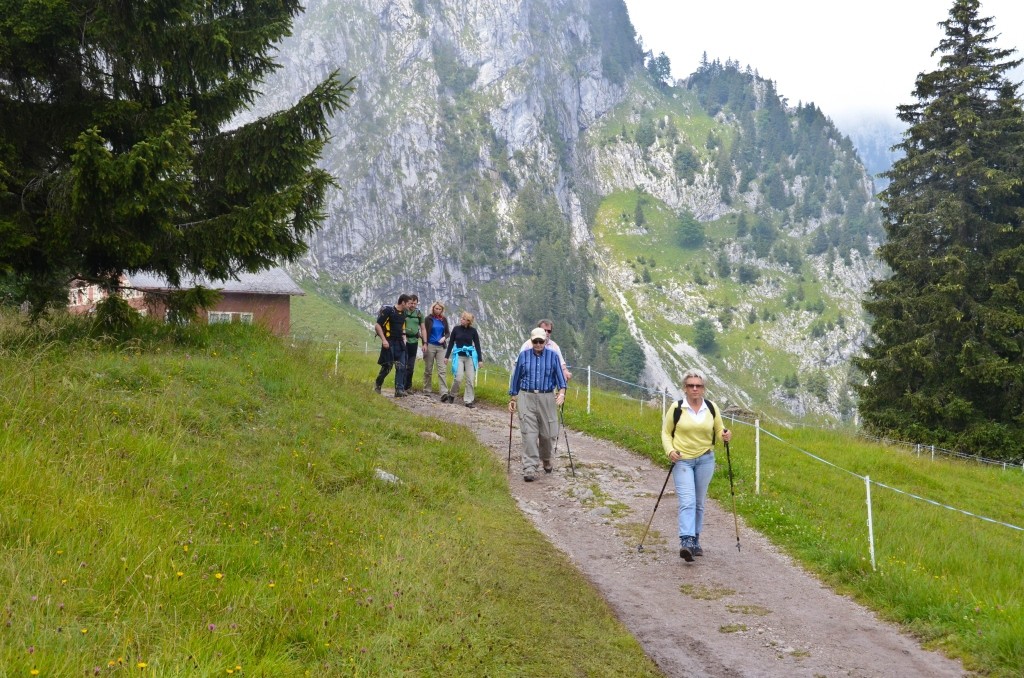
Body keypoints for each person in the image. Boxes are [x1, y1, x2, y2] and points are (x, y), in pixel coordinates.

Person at [661, 369, 731, 562]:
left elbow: (718, 429)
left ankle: (696, 540)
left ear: (703, 388)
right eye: (690, 385)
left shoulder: (711, 407)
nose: (694, 389)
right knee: (688, 501)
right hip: (682, 459)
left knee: (699, 503)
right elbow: (666, 433)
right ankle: (686, 541)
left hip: (705, 459)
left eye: (698, 386)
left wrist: (725, 435)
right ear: (685, 388)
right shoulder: (677, 408)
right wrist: (670, 451)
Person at [508, 327, 567, 481]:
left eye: (541, 341)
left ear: (545, 341)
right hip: (526, 396)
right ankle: (529, 467)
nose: (539, 344)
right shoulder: (523, 356)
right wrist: (513, 398)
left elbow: (561, 380)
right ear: (531, 341)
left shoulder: (553, 357)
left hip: (547, 397)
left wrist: (561, 394)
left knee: (548, 434)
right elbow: (516, 378)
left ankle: (546, 458)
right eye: (536, 341)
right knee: (529, 433)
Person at [373, 294, 411, 397]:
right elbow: (377, 325)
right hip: (389, 342)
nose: (410, 305)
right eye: (408, 303)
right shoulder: (388, 310)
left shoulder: (404, 313)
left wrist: (404, 340)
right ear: (403, 302)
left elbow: (402, 327)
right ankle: (378, 384)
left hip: (400, 342)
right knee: (387, 366)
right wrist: (384, 340)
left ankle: (399, 389)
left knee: (401, 366)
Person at [443, 311, 482, 407]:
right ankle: (452, 395)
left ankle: (468, 401)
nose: (461, 320)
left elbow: (477, 346)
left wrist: (480, 360)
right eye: (461, 318)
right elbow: (451, 343)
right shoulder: (456, 329)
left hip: (469, 357)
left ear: (468, 321)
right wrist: (447, 357)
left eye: (464, 319)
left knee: (470, 379)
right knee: (458, 378)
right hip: (459, 356)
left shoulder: (473, 331)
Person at [422, 301, 450, 397]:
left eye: (439, 309)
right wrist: (424, 344)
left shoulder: (444, 320)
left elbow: (448, 333)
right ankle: (427, 390)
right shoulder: (428, 319)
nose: (437, 310)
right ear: (433, 308)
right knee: (428, 369)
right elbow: (424, 332)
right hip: (430, 345)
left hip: (441, 347)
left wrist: (444, 338)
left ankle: (444, 392)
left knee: (442, 370)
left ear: (442, 310)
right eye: (436, 308)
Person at [402, 294, 426, 392]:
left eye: (414, 303)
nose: (412, 305)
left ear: (417, 303)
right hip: (403, 341)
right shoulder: (403, 312)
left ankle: (408, 386)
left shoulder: (419, 314)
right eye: (411, 303)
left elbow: (423, 329)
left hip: (414, 341)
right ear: (408, 302)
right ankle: (400, 386)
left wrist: (425, 343)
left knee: (411, 366)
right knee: (402, 364)